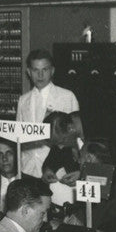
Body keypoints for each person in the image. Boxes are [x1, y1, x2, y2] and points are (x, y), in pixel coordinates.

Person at [16, 49, 79, 177]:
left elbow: (78, 136)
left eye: (45, 70)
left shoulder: (66, 97)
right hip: (28, 167)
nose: (40, 75)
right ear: (28, 72)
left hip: (58, 170)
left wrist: (77, 168)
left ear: (52, 71)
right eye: (35, 70)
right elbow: (19, 136)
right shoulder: (23, 100)